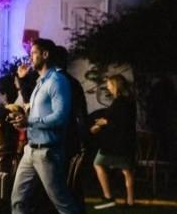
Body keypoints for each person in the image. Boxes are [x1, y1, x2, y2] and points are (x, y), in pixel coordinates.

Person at [10, 38, 83, 214]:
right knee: (17, 200)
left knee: (62, 203)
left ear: (45, 54)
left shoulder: (57, 81)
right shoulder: (40, 82)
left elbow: (60, 117)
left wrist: (30, 121)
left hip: (47, 152)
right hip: (30, 149)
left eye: (34, 53)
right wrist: (23, 121)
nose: (30, 57)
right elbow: (36, 114)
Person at [90, 74, 137, 209]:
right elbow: (118, 120)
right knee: (127, 171)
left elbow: (118, 122)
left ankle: (108, 196)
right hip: (126, 143)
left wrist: (103, 123)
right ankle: (130, 201)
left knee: (98, 163)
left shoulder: (120, 102)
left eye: (110, 84)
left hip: (115, 144)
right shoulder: (129, 101)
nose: (108, 87)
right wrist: (103, 123)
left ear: (116, 85)